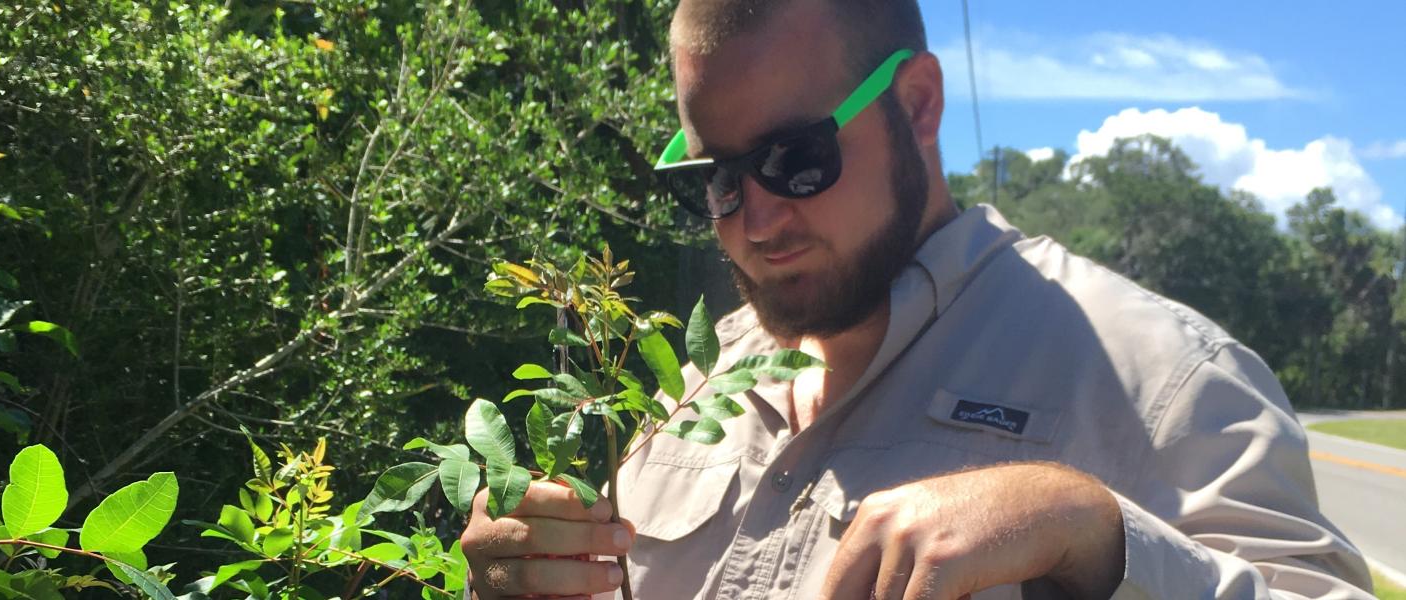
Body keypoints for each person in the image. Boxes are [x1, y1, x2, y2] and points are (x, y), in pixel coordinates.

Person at [458, 0, 1375, 597]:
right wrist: (517, 574)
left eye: (794, 159)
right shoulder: (689, 387)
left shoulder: (1166, 378)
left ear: (920, 105)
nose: (753, 221)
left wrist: (1092, 532)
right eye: (721, 177)